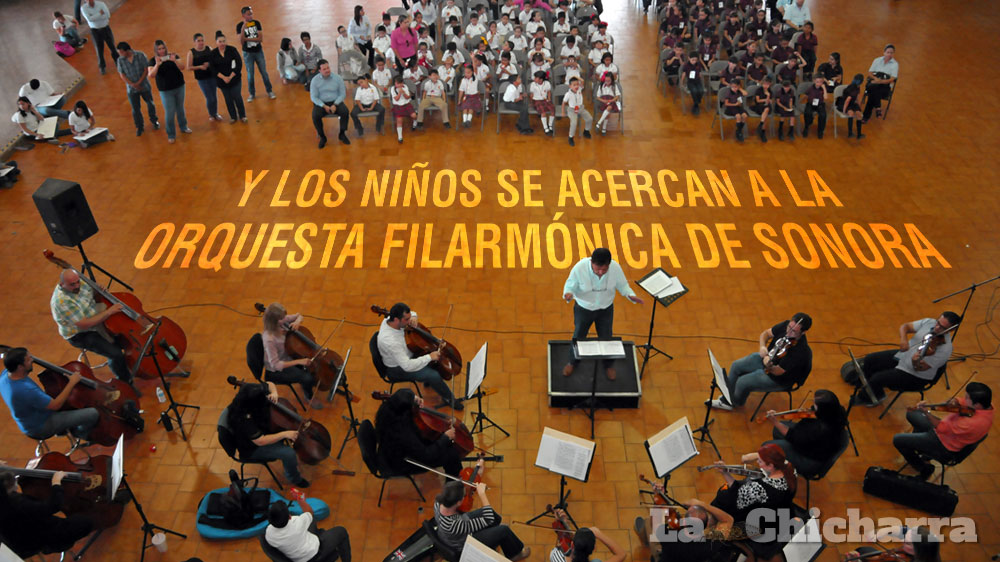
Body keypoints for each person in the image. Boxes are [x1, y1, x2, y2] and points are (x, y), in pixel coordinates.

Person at [562, 248, 644, 380]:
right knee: (579, 336)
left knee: (607, 337)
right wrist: (568, 293)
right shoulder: (580, 268)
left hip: (605, 309)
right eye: (597, 269)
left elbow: (623, 286)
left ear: (609, 264)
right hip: (584, 309)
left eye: (604, 270)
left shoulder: (615, 268)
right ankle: (572, 362)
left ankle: (608, 365)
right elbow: (570, 285)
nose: (600, 273)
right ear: (591, 262)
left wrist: (630, 295)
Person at [852, 312, 959, 407]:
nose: (936, 327)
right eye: (938, 322)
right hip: (904, 356)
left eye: (942, 327)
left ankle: (871, 397)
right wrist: (904, 340)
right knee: (870, 360)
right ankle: (869, 387)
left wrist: (915, 361)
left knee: (877, 378)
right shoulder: (929, 322)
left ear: (951, 329)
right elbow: (905, 326)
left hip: (915, 375)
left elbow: (920, 368)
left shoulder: (945, 349)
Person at [711, 313, 812, 411]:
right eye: (789, 327)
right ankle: (727, 396)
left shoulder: (800, 351)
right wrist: (762, 347)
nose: (788, 333)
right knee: (736, 366)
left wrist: (767, 364)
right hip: (767, 358)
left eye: (794, 331)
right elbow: (766, 334)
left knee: (742, 382)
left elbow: (777, 371)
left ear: (803, 332)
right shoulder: (786, 325)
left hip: (778, 379)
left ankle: (735, 402)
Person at [892, 382, 992, 480]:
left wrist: (927, 412)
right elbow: (962, 402)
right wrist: (955, 401)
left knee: (898, 440)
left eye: (967, 398)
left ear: (977, 405)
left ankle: (924, 468)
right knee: (912, 413)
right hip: (947, 432)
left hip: (942, 444)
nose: (964, 399)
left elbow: (940, 427)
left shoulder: (971, 424)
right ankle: (921, 449)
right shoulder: (987, 406)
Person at [50, 269, 134, 385]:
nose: (77, 286)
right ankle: (125, 382)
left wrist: (99, 290)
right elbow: (85, 324)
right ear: (62, 284)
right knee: (115, 353)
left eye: (78, 282)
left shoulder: (79, 281)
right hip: (81, 333)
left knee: (123, 330)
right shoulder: (62, 302)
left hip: (92, 313)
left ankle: (129, 364)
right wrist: (109, 312)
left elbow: (92, 294)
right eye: (72, 284)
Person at [0, 347, 100, 442]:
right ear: (20, 367)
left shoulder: (5, 375)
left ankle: (63, 428)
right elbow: (55, 405)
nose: (32, 360)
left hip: (28, 420)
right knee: (93, 413)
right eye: (28, 359)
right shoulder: (26, 390)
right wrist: (71, 382)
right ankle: (80, 433)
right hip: (41, 426)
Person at [377, 303, 460, 409]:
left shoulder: (392, 318)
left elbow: (412, 314)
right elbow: (407, 365)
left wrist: (414, 318)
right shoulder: (390, 341)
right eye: (407, 320)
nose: (409, 322)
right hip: (398, 368)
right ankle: (449, 399)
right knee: (433, 375)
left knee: (431, 359)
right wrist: (430, 357)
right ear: (397, 320)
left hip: (408, 353)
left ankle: (429, 382)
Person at [227, 381, 309, 487]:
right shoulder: (243, 420)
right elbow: (260, 441)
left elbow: (269, 384)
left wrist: (274, 393)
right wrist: (284, 434)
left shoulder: (252, 392)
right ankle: (294, 478)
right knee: (288, 453)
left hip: (262, 430)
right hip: (252, 448)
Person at [0, 469, 94, 559]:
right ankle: (52, 547)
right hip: (37, 538)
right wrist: (56, 483)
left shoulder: (5, 501)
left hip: (14, 539)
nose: (17, 485)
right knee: (86, 522)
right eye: (15, 482)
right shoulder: (18, 503)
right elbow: (53, 506)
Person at [374, 388, 464, 477]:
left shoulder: (388, 410)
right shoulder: (404, 433)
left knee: (438, 442)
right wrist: (445, 437)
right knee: (452, 454)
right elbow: (426, 455)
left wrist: (415, 399)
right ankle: (454, 483)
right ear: (407, 411)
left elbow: (404, 398)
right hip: (401, 463)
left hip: (393, 451)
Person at [434, 481, 531, 561]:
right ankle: (515, 554)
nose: (466, 496)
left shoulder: (438, 502)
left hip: (458, 525)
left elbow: (489, 515)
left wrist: (478, 472)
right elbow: (488, 519)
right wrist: (482, 494)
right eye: (464, 496)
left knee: (492, 514)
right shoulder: (455, 525)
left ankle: (497, 537)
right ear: (458, 502)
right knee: (504, 530)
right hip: (464, 541)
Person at [763, 389, 847, 476]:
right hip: (816, 447)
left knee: (766, 448)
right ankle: (781, 457)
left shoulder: (818, 430)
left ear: (822, 409)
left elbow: (792, 436)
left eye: (815, 405)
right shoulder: (836, 413)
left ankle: (777, 468)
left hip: (809, 461)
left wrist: (775, 422)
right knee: (778, 430)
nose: (812, 407)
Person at [708, 444, 797, 525]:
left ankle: (711, 522)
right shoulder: (790, 469)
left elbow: (736, 491)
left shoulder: (759, 489)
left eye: (760, 461)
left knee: (722, 495)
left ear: (770, 466)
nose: (757, 462)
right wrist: (762, 454)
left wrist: (725, 473)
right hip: (780, 510)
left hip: (761, 519)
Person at [633, 495, 736, 562]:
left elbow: (654, 522)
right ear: (707, 524)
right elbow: (728, 520)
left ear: (685, 522)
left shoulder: (669, 536)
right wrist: (702, 505)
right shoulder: (709, 545)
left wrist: (658, 497)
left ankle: (644, 538)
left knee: (648, 522)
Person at [260, 303, 322, 410]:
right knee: (307, 377)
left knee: (311, 364)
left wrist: (297, 322)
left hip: (288, 355)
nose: (284, 319)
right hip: (276, 371)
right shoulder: (269, 339)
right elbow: (276, 365)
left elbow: (299, 316)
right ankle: (309, 396)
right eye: (282, 318)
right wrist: (299, 362)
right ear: (274, 321)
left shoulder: (281, 320)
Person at [264, 497, 351, 562]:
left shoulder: (268, 533)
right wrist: (300, 499)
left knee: (311, 522)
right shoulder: (297, 522)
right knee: (341, 531)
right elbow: (309, 512)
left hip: (297, 559)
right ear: (289, 517)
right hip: (316, 552)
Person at [147, 39, 191, 144]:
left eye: (163, 48)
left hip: (179, 86)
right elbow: (151, 75)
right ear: (156, 50)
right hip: (165, 90)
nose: (162, 51)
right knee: (170, 112)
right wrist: (157, 65)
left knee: (180, 108)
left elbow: (182, 67)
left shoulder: (173, 56)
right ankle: (171, 134)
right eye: (159, 49)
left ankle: (183, 127)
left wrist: (174, 60)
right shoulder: (153, 61)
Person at [116, 41, 159, 137]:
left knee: (150, 103)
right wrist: (132, 84)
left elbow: (146, 70)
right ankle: (139, 126)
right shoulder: (120, 60)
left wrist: (139, 82)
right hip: (131, 89)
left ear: (127, 50)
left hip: (144, 86)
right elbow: (122, 74)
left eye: (121, 52)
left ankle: (154, 121)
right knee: (135, 109)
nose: (120, 54)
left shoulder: (140, 55)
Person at [237, 6, 275, 101]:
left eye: (251, 14)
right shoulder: (239, 26)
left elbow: (260, 39)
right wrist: (243, 29)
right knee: (250, 75)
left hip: (258, 52)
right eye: (248, 14)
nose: (251, 16)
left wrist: (246, 38)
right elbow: (241, 42)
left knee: (264, 72)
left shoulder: (256, 23)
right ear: (243, 15)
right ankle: (252, 93)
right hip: (247, 54)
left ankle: (269, 91)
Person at [843, 525, 942, 562]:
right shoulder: (925, 546)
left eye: (907, 543)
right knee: (864, 550)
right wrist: (884, 531)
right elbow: (904, 530)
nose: (902, 541)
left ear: (918, 550)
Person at [310, 60, 351, 148]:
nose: (327, 70)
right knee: (315, 115)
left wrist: (335, 104)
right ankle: (322, 137)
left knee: (345, 112)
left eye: (328, 68)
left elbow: (342, 94)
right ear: (319, 71)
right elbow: (314, 97)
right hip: (322, 103)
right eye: (324, 69)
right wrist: (323, 106)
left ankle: (342, 134)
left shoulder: (338, 78)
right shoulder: (314, 81)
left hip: (335, 101)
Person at [549, 517, 626, 562]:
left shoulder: (555, 555)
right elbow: (621, 554)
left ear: (572, 544)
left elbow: (562, 541)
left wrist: (563, 523)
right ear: (594, 549)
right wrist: (598, 533)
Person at [211, 31, 247, 124]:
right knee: (228, 99)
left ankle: (242, 115)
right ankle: (233, 117)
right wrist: (224, 78)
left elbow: (238, 64)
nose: (222, 43)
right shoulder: (213, 54)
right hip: (222, 82)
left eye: (224, 41)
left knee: (237, 97)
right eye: (220, 41)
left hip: (235, 79)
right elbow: (213, 69)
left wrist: (230, 77)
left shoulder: (232, 50)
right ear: (216, 42)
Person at [187, 33, 223, 121]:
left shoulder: (209, 49)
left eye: (202, 40)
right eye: (198, 41)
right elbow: (189, 67)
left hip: (212, 76)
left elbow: (216, 60)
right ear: (194, 42)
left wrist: (209, 64)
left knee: (214, 96)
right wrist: (200, 67)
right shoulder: (191, 53)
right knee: (209, 97)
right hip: (202, 79)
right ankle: (211, 114)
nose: (201, 42)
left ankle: (215, 113)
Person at [863, 44, 898, 122]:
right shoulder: (877, 60)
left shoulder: (895, 64)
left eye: (891, 53)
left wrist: (880, 81)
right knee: (874, 88)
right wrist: (876, 79)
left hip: (884, 86)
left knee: (872, 92)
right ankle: (878, 107)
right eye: (888, 52)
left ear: (893, 54)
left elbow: (892, 78)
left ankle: (866, 116)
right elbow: (870, 72)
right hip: (874, 82)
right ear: (884, 52)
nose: (889, 54)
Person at [80, 0, 117, 74]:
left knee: (112, 46)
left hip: (105, 28)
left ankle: (117, 61)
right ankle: (102, 67)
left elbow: (107, 15)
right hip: (95, 31)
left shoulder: (101, 4)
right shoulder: (84, 8)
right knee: (99, 49)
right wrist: (100, 13)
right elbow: (89, 19)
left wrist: (94, 16)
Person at [562, 77, 592, 147]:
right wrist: (563, 112)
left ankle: (586, 131)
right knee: (574, 123)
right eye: (574, 85)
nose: (576, 86)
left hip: (580, 108)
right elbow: (563, 103)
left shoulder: (580, 89)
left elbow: (583, 80)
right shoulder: (568, 94)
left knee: (589, 119)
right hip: (572, 110)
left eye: (577, 84)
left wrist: (575, 77)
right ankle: (571, 137)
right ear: (570, 86)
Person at [722, 78, 749, 142]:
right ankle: (739, 133)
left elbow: (745, 93)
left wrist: (740, 89)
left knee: (745, 116)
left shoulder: (739, 91)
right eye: (732, 87)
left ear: (738, 86)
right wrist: (735, 104)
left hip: (738, 107)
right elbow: (726, 104)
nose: (734, 88)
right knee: (738, 116)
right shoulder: (729, 92)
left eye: (735, 87)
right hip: (731, 108)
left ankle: (739, 131)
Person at [838, 73, 865, 139]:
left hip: (851, 103)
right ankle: (856, 134)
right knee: (852, 114)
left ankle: (853, 134)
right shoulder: (854, 90)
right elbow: (847, 101)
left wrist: (858, 108)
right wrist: (844, 110)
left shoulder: (856, 87)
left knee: (858, 114)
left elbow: (857, 98)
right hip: (844, 104)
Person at [801, 74, 827, 139]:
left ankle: (820, 131)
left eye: (820, 82)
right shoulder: (810, 88)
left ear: (822, 82)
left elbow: (826, 97)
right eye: (817, 82)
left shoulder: (823, 89)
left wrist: (824, 88)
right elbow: (805, 95)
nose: (819, 83)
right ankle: (806, 127)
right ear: (814, 81)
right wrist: (799, 101)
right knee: (807, 113)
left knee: (823, 115)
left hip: (820, 104)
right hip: (811, 104)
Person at [456, 64, 482, 129]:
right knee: (465, 107)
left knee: (470, 107)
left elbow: (475, 67)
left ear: (472, 72)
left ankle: (468, 120)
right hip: (467, 97)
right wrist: (459, 100)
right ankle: (464, 121)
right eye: (465, 72)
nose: (466, 74)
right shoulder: (463, 80)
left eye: (468, 72)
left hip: (474, 97)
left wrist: (473, 59)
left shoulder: (475, 78)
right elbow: (461, 90)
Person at [750, 76, 773, 142]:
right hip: (759, 106)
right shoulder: (759, 90)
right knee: (766, 112)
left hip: (766, 106)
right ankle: (762, 132)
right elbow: (758, 101)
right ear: (762, 84)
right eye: (764, 84)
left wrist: (768, 95)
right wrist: (766, 99)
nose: (765, 86)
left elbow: (769, 102)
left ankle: (761, 125)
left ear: (770, 84)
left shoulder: (770, 91)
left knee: (766, 109)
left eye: (767, 84)